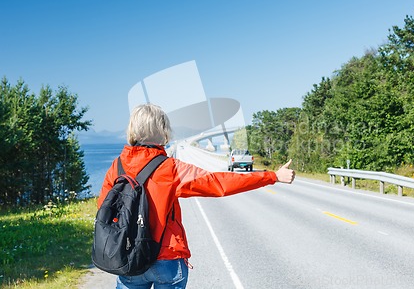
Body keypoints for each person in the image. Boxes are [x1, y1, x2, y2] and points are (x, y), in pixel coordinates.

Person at [97, 103, 295, 289]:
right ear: (162, 130)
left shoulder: (117, 166)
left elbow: (104, 210)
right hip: (167, 257)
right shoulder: (170, 168)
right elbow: (219, 183)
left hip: (128, 256)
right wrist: (272, 176)